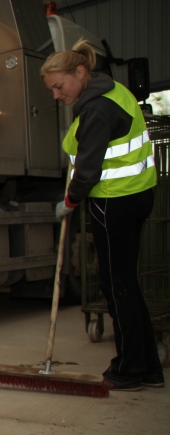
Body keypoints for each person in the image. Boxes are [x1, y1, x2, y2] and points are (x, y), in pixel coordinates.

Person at [43, 40, 164, 392]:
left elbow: (89, 170)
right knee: (127, 282)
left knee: (117, 286)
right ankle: (148, 367)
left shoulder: (96, 110)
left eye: (59, 86)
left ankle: (128, 367)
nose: (55, 95)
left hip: (116, 202)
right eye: (51, 89)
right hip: (137, 196)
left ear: (80, 73)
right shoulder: (113, 93)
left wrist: (71, 200)